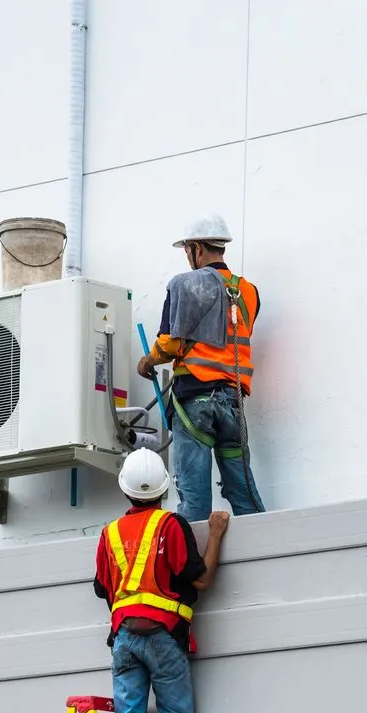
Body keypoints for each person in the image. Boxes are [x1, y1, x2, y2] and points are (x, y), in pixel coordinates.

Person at [93, 447, 230, 713]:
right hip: (163, 636)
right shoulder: (170, 525)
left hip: (124, 638)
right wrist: (215, 534)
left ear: (125, 490)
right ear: (164, 490)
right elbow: (201, 579)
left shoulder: (109, 534)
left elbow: (103, 587)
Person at [137, 213, 265, 523]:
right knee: (243, 490)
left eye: (187, 249)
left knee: (193, 497)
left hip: (195, 401)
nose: (187, 256)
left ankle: (191, 554)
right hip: (233, 405)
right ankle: (266, 541)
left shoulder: (184, 284)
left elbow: (170, 344)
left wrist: (147, 361)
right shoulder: (248, 292)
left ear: (197, 248)